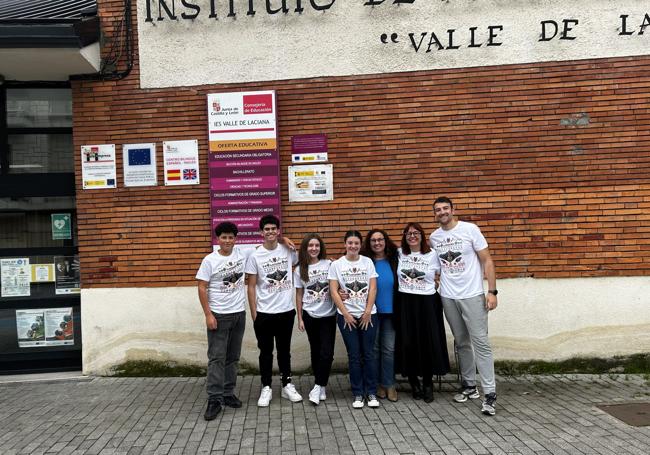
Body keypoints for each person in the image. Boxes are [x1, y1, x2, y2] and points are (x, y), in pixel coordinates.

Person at [429, 196, 499, 416]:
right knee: (461, 342)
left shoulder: (470, 229)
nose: (442, 212)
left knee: (481, 343)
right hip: (448, 297)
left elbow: (487, 260)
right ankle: (470, 386)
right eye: (438, 210)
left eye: (445, 208)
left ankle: (490, 394)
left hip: (472, 295)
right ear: (435, 214)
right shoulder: (434, 237)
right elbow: (436, 266)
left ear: (453, 210)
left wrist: (492, 291)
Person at [245, 214, 303, 407]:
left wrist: (287, 242)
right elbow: (251, 286)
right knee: (266, 352)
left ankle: (287, 385)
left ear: (278, 231)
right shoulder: (254, 255)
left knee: (284, 351)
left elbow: (302, 260)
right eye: (266, 229)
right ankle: (266, 386)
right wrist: (254, 313)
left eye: (273, 229)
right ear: (261, 232)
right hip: (264, 313)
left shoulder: (288, 250)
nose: (270, 232)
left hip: (286, 311)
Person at [196, 221, 248, 420]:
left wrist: (284, 240)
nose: (227, 240)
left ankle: (227, 393)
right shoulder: (210, 260)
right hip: (219, 315)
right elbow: (202, 287)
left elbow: (266, 248)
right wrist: (208, 314)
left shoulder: (242, 255)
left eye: (231, 237)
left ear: (236, 239)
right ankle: (214, 399)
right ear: (218, 239)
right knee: (217, 358)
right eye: (223, 237)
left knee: (233, 357)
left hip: (238, 314)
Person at [396, 222, 450, 403]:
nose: (412, 236)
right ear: (404, 236)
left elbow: (445, 273)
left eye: (416, 233)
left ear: (422, 235)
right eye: (408, 233)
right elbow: (373, 255)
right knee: (408, 342)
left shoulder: (433, 254)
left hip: (427, 302)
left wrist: (437, 283)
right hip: (405, 301)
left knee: (427, 342)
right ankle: (413, 382)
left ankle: (428, 383)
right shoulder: (399, 253)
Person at [328, 230, 379, 409]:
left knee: (369, 354)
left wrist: (367, 312)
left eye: (356, 243)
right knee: (354, 356)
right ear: (345, 244)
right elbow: (334, 291)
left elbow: (373, 288)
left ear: (360, 245)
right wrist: (346, 314)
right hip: (346, 316)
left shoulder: (368, 262)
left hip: (368, 315)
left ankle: (371, 392)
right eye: (350, 243)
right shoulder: (337, 265)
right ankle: (358, 393)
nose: (353, 246)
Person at [294, 233, 336, 405]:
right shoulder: (299, 269)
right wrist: (300, 318)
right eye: (310, 246)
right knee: (316, 351)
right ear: (305, 248)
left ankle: (318, 385)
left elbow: (338, 285)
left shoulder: (330, 264)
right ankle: (321, 385)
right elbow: (299, 295)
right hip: (310, 315)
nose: (313, 248)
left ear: (321, 248)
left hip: (328, 315)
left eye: (317, 245)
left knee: (327, 352)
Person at [361, 229, 399, 402]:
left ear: (385, 241)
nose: (377, 243)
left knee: (389, 350)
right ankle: (377, 384)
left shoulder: (395, 259)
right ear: (369, 244)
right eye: (373, 240)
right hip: (371, 313)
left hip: (391, 312)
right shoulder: (365, 262)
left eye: (380, 239)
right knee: (374, 350)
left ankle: (389, 384)